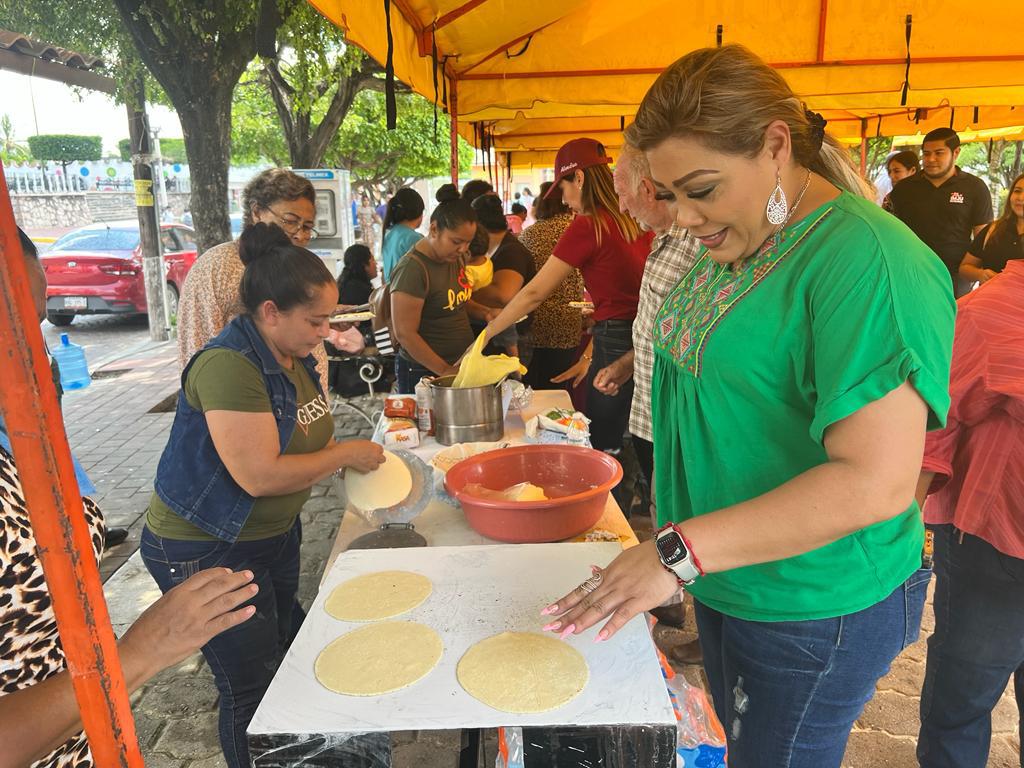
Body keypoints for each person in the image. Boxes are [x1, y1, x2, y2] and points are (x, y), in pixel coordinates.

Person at [541, 45, 955, 768]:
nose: (684, 216)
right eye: (669, 194)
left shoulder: (867, 262)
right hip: (732, 574)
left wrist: (675, 554)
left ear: (775, 144)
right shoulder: (738, 240)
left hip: (813, 598)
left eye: (701, 188)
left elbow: (875, 480)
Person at [1, 227, 259, 768]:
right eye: (10, 320)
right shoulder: (227, 363)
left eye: (36, 315)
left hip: (86, 737)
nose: (32, 341)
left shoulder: (21, 417)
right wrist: (140, 652)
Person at [142, 223, 384, 768]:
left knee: (286, 649)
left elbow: (300, 441)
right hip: (209, 547)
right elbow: (258, 475)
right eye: (316, 321)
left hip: (270, 535)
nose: (324, 332)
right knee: (248, 687)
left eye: (329, 320)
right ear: (271, 311)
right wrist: (344, 455)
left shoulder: (289, 355)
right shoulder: (231, 365)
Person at [592, 144, 702, 658]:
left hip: (684, 412)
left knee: (687, 508)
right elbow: (661, 326)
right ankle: (672, 596)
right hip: (654, 404)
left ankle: (701, 616)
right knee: (666, 504)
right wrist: (627, 363)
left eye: (621, 191)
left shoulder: (701, 238)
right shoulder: (665, 237)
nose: (623, 205)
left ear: (646, 184)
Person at [915, 262, 1024, 768]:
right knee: (966, 691)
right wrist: (903, 519)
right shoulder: (991, 313)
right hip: (998, 548)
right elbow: (932, 416)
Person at [481, 138, 653, 457]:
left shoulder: (589, 225)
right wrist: (589, 354)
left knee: (603, 441)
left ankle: (611, 505)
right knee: (643, 435)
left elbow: (533, 293)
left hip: (616, 338)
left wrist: (486, 334)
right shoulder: (634, 219)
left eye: (563, 188)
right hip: (647, 332)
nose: (565, 199)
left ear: (580, 178)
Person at [176, 168, 331, 394]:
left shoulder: (303, 267)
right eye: (290, 221)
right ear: (257, 211)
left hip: (309, 407)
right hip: (248, 408)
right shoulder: (216, 267)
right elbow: (197, 349)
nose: (300, 235)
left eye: (307, 227)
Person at [390, 187, 478, 393]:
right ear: (434, 229)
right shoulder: (412, 269)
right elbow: (405, 333)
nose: (463, 249)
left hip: (458, 366)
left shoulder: (454, 258)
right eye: (456, 241)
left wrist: (486, 312)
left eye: (468, 242)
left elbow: (454, 301)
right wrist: (445, 370)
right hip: (424, 371)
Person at [888, 128, 992, 294]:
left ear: (956, 152)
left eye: (939, 153)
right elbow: (888, 229)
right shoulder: (904, 189)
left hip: (955, 277)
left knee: (953, 319)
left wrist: (979, 273)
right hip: (909, 272)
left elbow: (983, 238)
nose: (931, 159)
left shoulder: (975, 188)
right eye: (926, 153)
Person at [518, 181, 584, 391]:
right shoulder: (579, 230)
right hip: (569, 323)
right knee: (557, 388)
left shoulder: (529, 235)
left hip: (535, 320)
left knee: (532, 390)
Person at [470, 193, 536, 357]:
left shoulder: (511, 251)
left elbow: (502, 296)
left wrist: (463, 295)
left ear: (477, 225)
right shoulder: (490, 249)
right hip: (496, 334)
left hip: (512, 340)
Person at [958, 172, 1024, 285]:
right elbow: (964, 268)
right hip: (987, 300)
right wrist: (980, 274)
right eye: (1017, 191)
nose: (1021, 197)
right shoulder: (993, 230)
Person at [380, 187, 425, 282]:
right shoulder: (415, 238)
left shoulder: (389, 234)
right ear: (418, 212)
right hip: (406, 293)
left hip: (391, 292)